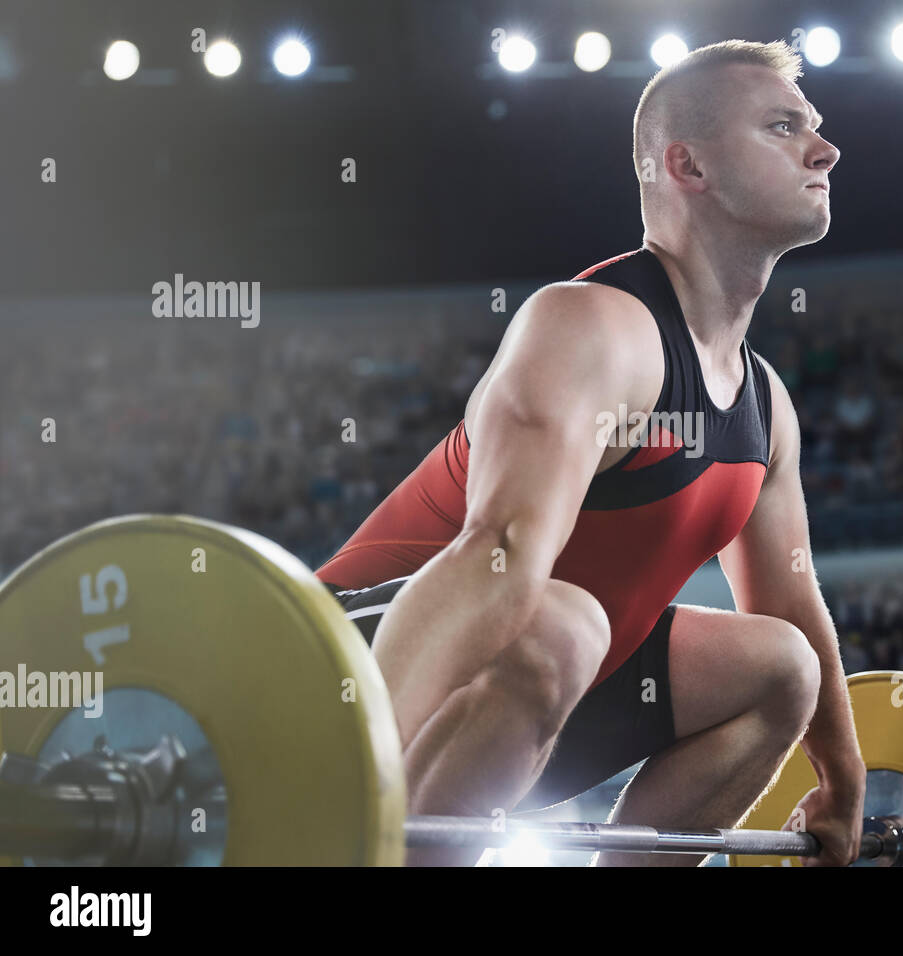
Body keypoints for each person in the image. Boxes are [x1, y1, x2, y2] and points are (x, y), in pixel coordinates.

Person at [316, 39, 863, 866]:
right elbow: (496, 557)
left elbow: (789, 606)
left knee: (783, 670)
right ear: (689, 166)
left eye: (814, 129)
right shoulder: (592, 325)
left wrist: (847, 782)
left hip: (532, 702)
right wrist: (342, 784)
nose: (825, 150)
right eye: (785, 127)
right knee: (563, 619)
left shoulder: (765, 406)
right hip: (351, 675)